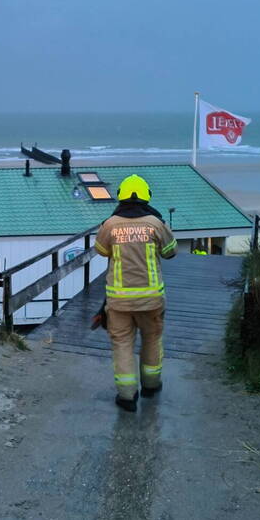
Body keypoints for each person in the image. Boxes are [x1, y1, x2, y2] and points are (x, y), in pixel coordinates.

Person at [93, 174, 177, 412]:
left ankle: (127, 396)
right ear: (146, 195)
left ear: (120, 195)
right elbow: (171, 252)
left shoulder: (110, 225)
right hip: (151, 300)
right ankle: (151, 386)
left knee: (122, 345)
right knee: (151, 340)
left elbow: (100, 250)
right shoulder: (155, 223)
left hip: (118, 301)